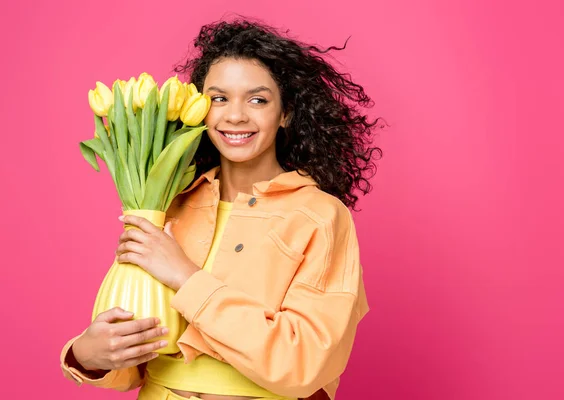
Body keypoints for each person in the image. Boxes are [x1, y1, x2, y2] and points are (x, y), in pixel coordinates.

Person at [60, 18, 382, 400]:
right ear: (198, 109)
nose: (235, 116)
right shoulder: (168, 205)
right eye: (218, 98)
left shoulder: (320, 216)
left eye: (258, 99)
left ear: (286, 114)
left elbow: (304, 364)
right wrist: (88, 353)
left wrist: (185, 275)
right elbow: (140, 352)